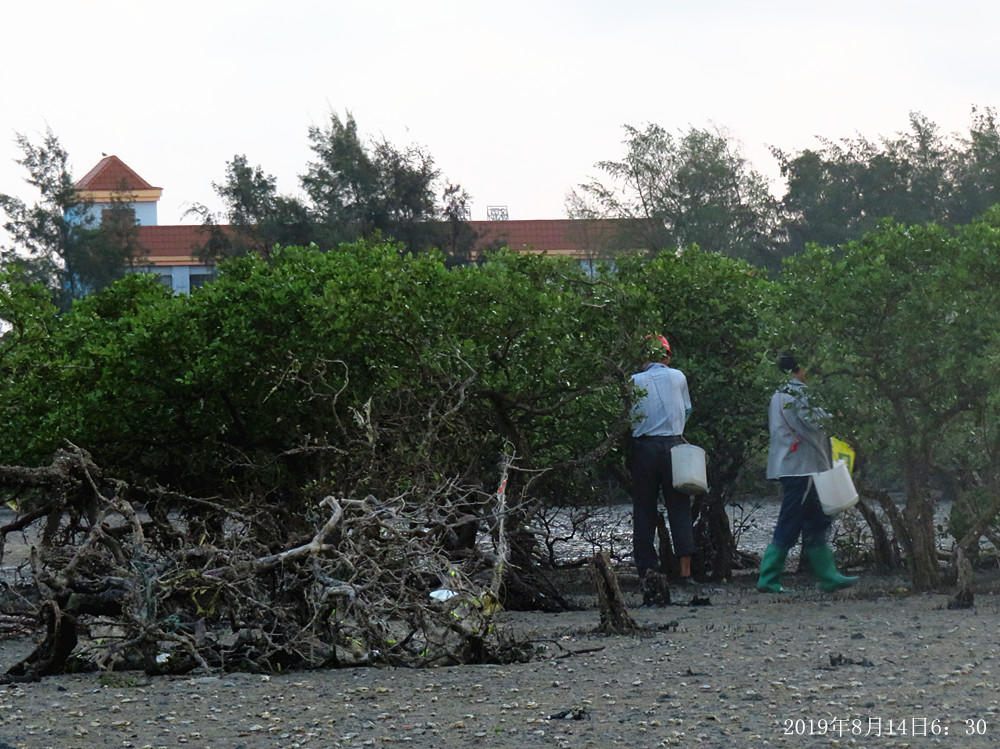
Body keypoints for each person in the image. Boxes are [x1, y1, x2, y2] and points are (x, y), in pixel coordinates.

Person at [757, 354, 858, 593]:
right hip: (802, 468)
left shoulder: (778, 393)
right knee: (791, 520)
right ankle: (768, 578)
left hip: (795, 466)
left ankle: (828, 575)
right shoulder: (798, 393)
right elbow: (816, 423)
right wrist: (841, 417)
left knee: (818, 519)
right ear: (799, 369)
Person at [629, 334, 696, 604]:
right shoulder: (678, 377)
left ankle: (647, 570)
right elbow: (687, 410)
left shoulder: (632, 381)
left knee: (643, 509)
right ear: (666, 357)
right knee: (679, 505)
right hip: (673, 446)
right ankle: (685, 572)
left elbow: (629, 415)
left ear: (644, 357)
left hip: (643, 448)